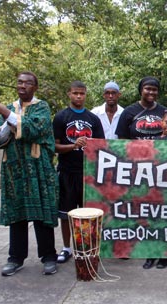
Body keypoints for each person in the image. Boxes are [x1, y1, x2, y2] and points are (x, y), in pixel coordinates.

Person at [0, 71, 59, 276]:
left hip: (38, 169)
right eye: (19, 82)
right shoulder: (10, 108)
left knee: (42, 214)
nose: (22, 86)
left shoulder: (42, 107)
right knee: (17, 215)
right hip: (15, 169)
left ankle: (48, 256)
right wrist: (7, 120)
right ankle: (15, 258)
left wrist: (8, 116)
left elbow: (34, 129)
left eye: (28, 83)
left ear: (35, 87)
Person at [53, 81, 105, 264]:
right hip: (67, 172)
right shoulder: (61, 117)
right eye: (75, 93)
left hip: (87, 174)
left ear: (86, 95)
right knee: (66, 214)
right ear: (69, 93)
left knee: (88, 214)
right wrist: (73, 145)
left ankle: (87, 247)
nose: (78, 96)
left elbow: (101, 146)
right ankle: (66, 248)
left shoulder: (93, 119)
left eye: (82, 93)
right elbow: (54, 146)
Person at [142, 110, 167, 270]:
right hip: (155, 187)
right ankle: (151, 255)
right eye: (166, 122)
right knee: (153, 222)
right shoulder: (154, 140)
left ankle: (165, 256)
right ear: (161, 121)